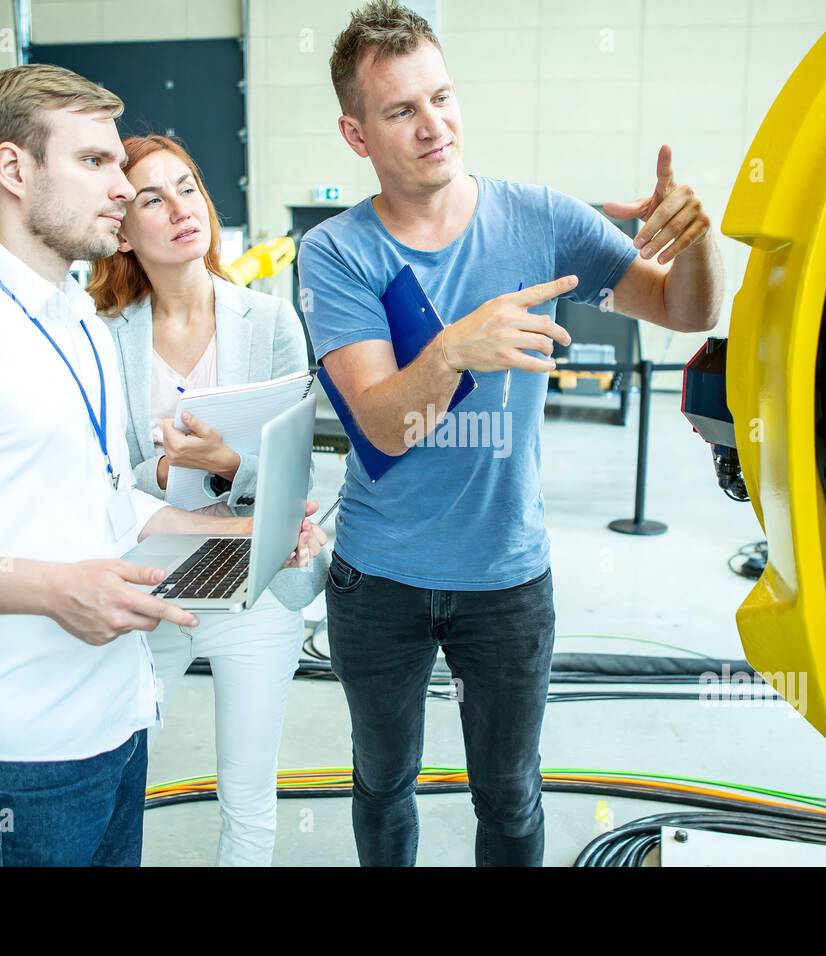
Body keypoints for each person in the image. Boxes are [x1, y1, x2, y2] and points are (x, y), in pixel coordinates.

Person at [0, 64, 323, 866]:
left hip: (115, 719)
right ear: (14, 169)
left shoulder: (78, 322)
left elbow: (106, 495)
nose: (122, 189)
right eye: (96, 163)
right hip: (17, 744)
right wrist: (51, 589)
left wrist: (235, 530)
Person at [297, 0, 724, 867]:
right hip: (379, 579)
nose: (434, 126)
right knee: (383, 783)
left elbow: (688, 309)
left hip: (506, 578)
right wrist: (458, 346)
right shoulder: (337, 253)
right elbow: (381, 422)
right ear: (356, 133)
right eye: (401, 111)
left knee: (511, 794)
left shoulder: (542, 220)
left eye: (442, 97)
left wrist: (698, 238)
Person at [89, 133, 330, 866]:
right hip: (148, 577)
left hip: (254, 580)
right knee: (107, 773)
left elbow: (302, 478)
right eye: (150, 198)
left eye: (187, 187)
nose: (179, 209)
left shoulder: (272, 323)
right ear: (123, 233)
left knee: (248, 799)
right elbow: (92, 477)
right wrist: (161, 474)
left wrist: (229, 465)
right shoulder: (102, 338)